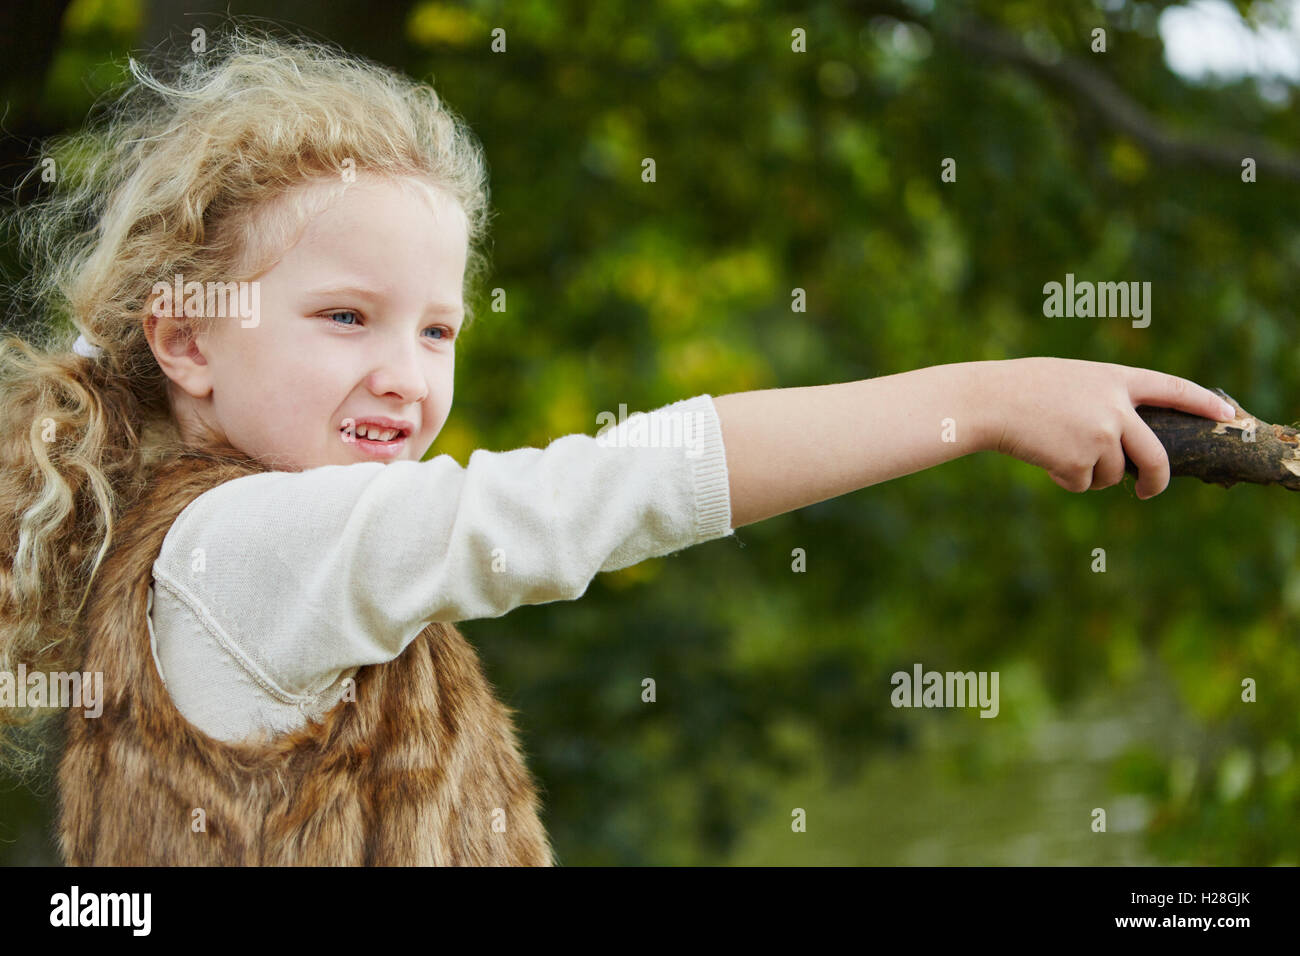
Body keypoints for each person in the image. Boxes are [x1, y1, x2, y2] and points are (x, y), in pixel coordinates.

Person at [0, 26, 1236, 866]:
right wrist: (991, 399)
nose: (404, 372)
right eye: (344, 318)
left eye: (437, 329)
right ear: (189, 341)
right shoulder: (250, 549)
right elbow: (606, 490)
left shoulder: (269, 550)